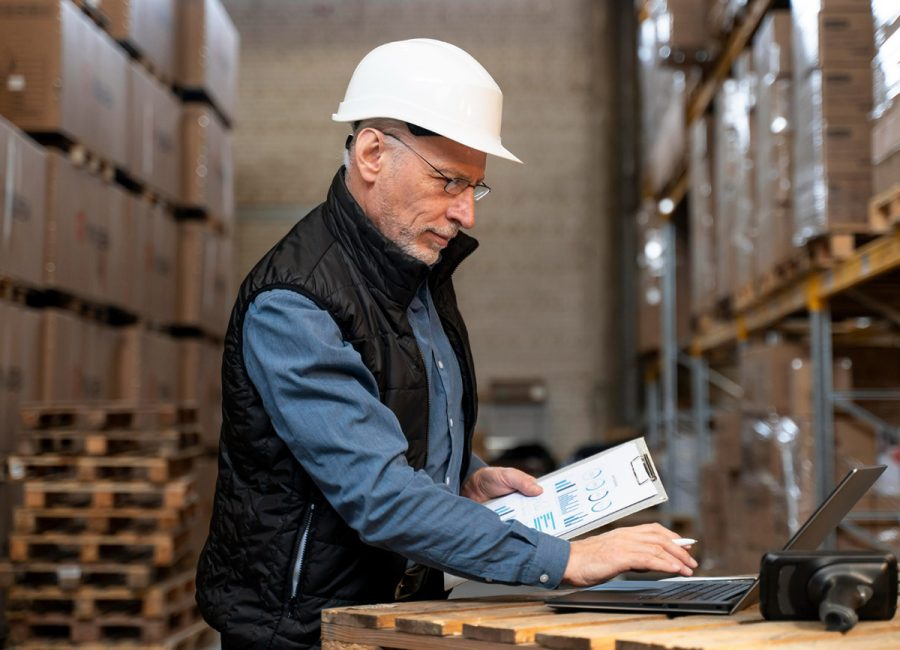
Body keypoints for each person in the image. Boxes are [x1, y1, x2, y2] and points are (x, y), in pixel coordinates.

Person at [195, 39, 696, 649]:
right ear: (374, 152)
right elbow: (377, 493)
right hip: (302, 632)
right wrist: (566, 559)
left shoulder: (416, 269)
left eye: (475, 187)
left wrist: (462, 473)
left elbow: (394, 413)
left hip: (393, 613)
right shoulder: (296, 303)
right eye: (449, 181)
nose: (466, 213)